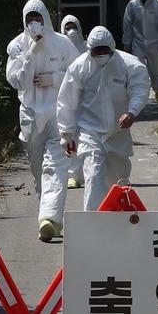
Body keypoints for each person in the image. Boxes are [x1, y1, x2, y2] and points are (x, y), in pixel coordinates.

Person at [6, 0, 81, 242]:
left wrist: (55, 79)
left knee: (55, 166)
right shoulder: (17, 46)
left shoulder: (62, 44)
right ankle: (46, 210)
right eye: (30, 19)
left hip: (56, 113)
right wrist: (30, 53)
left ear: (46, 19)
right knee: (38, 169)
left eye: (38, 18)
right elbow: (17, 81)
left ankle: (50, 219)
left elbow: (78, 74)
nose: (34, 23)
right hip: (29, 114)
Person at [56, 26, 151, 212]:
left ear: (112, 48)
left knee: (118, 180)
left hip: (118, 132)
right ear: (89, 49)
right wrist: (67, 134)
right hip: (90, 131)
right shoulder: (79, 67)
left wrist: (132, 111)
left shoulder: (129, 65)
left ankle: (116, 222)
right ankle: (92, 224)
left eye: (104, 50)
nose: (100, 54)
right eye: (96, 51)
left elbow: (140, 88)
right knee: (93, 176)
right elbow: (67, 101)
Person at [60, 14, 88, 189]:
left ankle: (92, 172)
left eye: (74, 27)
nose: (71, 31)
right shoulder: (59, 48)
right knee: (70, 136)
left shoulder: (87, 47)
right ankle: (74, 175)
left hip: (88, 98)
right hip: (69, 98)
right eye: (67, 27)